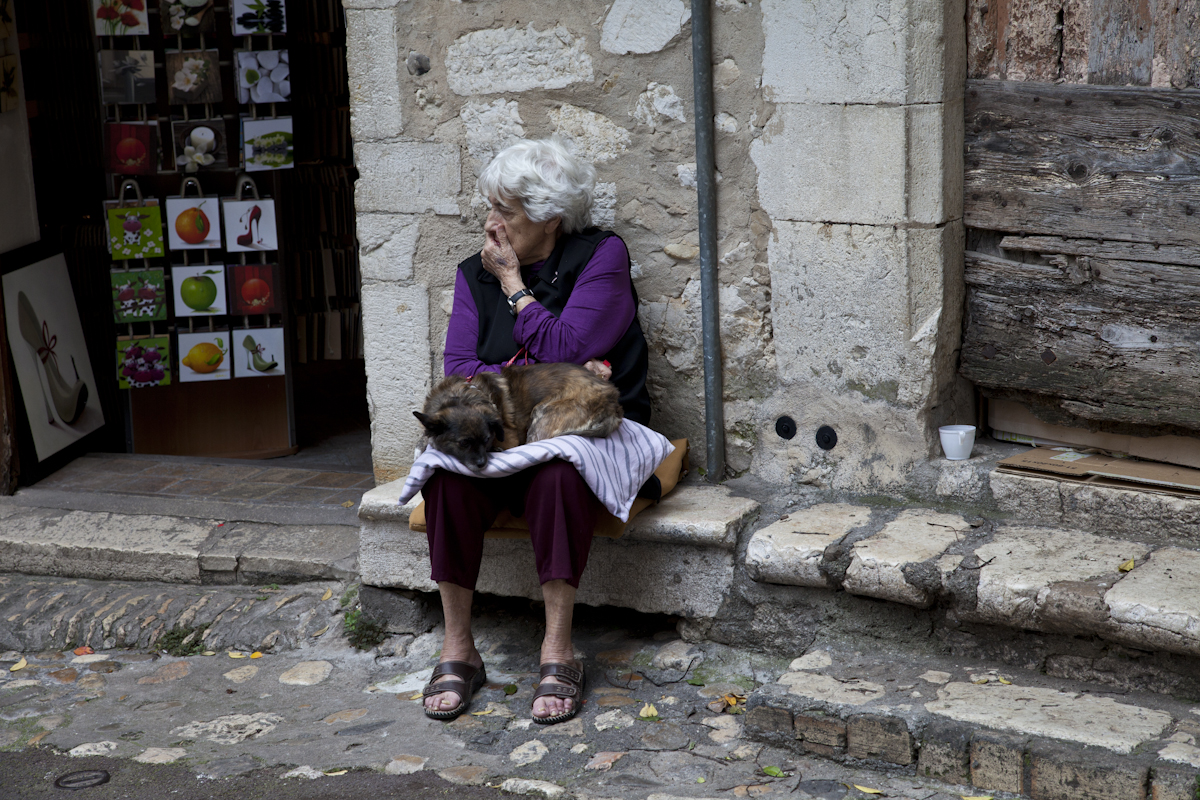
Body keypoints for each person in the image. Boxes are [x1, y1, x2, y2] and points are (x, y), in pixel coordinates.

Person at [421, 139, 651, 725]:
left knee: (556, 470)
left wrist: (516, 290)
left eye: (509, 213)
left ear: (549, 217)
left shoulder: (600, 256)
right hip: (505, 431)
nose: (492, 225)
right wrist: (546, 378)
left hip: (585, 428)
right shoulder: (473, 273)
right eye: (490, 208)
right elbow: (460, 369)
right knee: (446, 477)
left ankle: (557, 649)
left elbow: (576, 348)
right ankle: (458, 648)